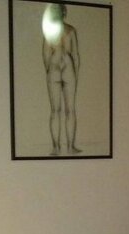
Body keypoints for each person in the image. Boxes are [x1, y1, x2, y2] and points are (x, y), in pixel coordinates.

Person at [42, 3, 80, 155]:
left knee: (58, 110)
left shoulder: (51, 31)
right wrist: (75, 73)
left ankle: (59, 147)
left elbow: (46, 54)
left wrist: (49, 70)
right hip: (67, 67)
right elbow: (75, 55)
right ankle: (66, 147)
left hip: (55, 66)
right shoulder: (70, 30)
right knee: (67, 110)